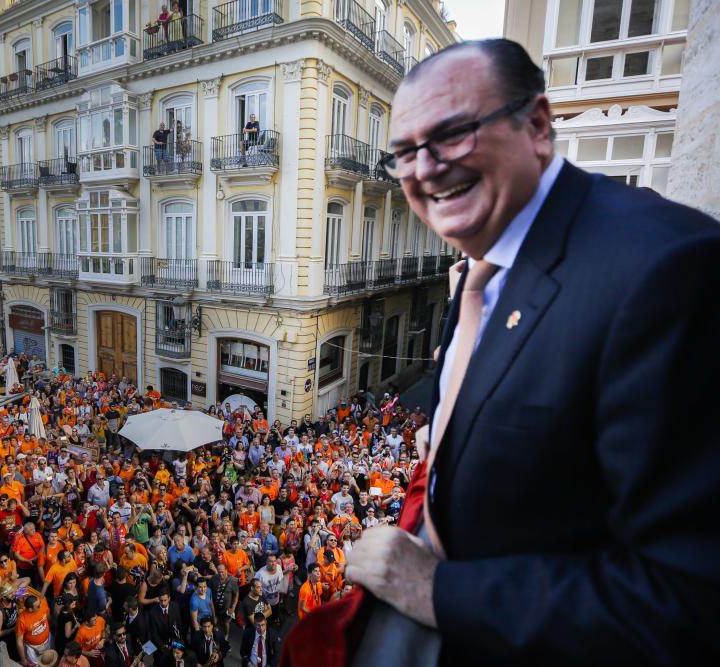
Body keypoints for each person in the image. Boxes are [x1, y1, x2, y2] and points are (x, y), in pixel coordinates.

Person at [284, 38, 720, 667]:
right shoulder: (482, 270)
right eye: (404, 152)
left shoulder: (664, 268)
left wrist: (434, 589)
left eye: (453, 134)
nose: (424, 168)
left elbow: (687, 602)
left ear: (537, 125)